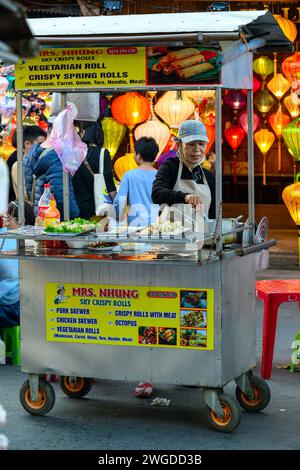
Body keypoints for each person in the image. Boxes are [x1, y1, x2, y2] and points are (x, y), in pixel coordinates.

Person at [152, 119, 215, 219]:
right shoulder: (170, 167)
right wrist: (185, 197)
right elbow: (157, 193)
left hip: (202, 233)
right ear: (179, 145)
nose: (197, 149)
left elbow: (213, 214)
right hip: (172, 232)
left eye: (201, 144)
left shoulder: (209, 176)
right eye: (191, 144)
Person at [24, 120, 79, 220]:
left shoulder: (31, 154)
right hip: (56, 223)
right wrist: (75, 214)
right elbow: (61, 196)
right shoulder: (57, 158)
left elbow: (29, 190)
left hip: (39, 218)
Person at [0, 201, 35, 329]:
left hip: (14, 307)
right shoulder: (5, 234)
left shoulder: (29, 242)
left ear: (20, 221)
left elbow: (10, 278)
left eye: (8, 219)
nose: (5, 222)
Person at [73, 123, 116, 219]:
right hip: (96, 208)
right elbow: (109, 185)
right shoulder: (102, 153)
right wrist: (117, 208)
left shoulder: (74, 152)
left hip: (75, 206)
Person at [113, 137, 159, 227]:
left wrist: (117, 217)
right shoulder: (160, 176)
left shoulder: (129, 175)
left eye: (134, 152)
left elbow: (120, 201)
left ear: (138, 156)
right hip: (156, 225)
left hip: (135, 225)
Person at [6, 126, 47, 201]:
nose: (43, 147)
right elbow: (26, 195)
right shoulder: (18, 166)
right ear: (27, 144)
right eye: (40, 144)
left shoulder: (42, 162)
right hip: (27, 210)